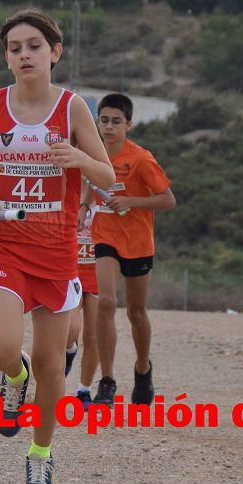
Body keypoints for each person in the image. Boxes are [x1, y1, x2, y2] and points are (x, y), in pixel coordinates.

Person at [0, 8, 114, 484]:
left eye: (34, 46)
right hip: (6, 243)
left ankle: (40, 457)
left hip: (57, 251)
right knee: (1, 347)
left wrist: (80, 159)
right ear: (6, 58)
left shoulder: (72, 109)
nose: (24, 54)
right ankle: (13, 376)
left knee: (54, 366)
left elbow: (108, 176)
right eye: (14, 48)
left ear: (55, 52)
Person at [82, 93, 175, 407]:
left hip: (137, 241)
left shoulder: (140, 159)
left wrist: (131, 202)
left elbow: (168, 199)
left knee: (136, 313)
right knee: (105, 302)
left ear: (129, 125)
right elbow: (88, 180)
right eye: (104, 120)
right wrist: (83, 205)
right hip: (104, 235)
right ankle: (107, 381)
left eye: (116, 122)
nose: (108, 127)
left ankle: (143, 368)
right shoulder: (93, 152)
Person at [68, 206, 100, 410]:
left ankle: (84, 390)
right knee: (70, 331)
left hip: (98, 272)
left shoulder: (105, 189)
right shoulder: (67, 189)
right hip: (71, 271)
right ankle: (69, 350)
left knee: (93, 336)